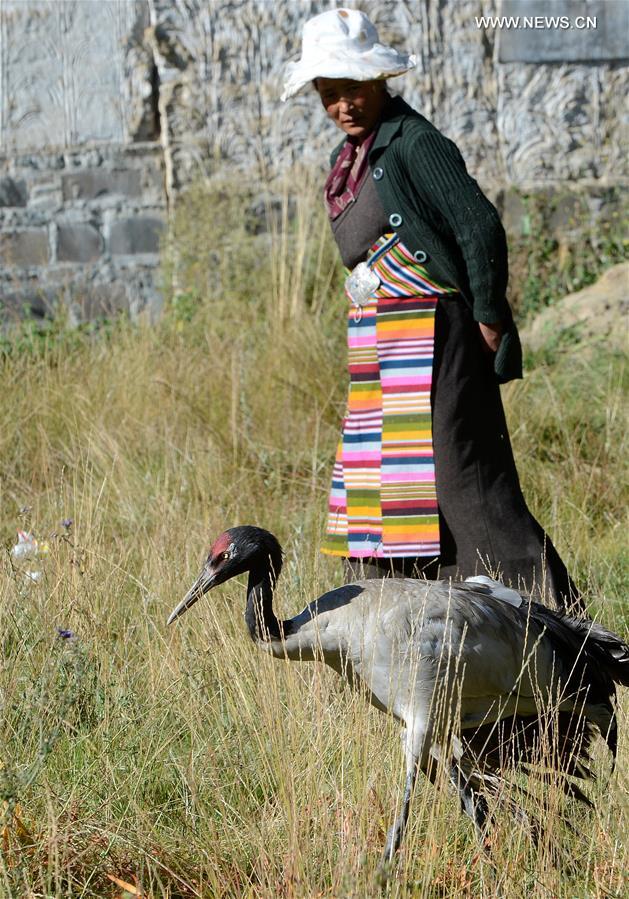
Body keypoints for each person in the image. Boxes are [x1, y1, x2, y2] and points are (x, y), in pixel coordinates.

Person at [282, 8, 580, 610]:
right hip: (385, 342)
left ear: (379, 82)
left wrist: (490, 315)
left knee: (466, 482)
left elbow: (479, 226)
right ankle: (428, 621)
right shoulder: (353, 156)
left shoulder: (414, 143)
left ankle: (554, 627)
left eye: (354, 89)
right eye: (330, 94)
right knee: (396, 487)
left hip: (439, 335)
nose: (344, 105)